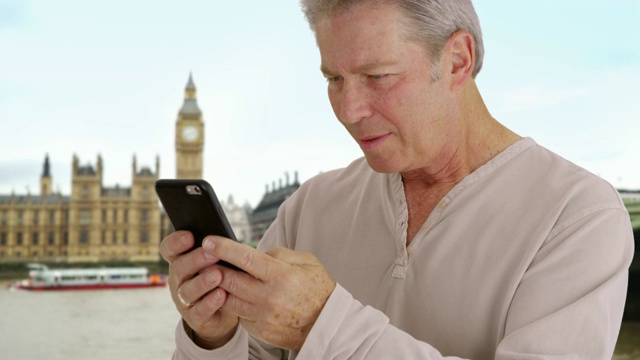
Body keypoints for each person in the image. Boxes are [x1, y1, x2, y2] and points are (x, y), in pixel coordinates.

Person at [161, 0, 634, 359]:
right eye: (334, 80)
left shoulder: (579, 216)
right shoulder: (311, 206)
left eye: (378, 76)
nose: (348, 110)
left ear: (457, 61)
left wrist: (322, 325)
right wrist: (214, 336)